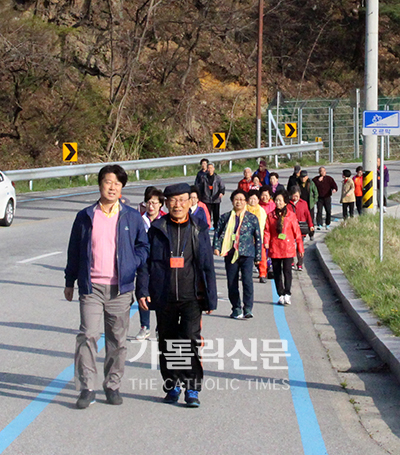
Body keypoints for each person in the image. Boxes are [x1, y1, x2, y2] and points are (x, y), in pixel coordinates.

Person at [64, 165, 149, 409]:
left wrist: (134, 263)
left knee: (117, 340)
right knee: (88, 335)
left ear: (122, 188)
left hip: (120, 289)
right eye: (108, 182)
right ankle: (86, 387)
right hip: (91, 286)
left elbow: (143, 247)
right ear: (100, 184)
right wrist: (70, 281)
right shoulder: (85, 216)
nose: (112, 187)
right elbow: (74, 250)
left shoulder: (131, 217)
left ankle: (112, 385)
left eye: (117, 183)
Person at [136, 183, 217, 407]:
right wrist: (142, 289)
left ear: (191, 202)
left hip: (192, 296)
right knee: (168, 342)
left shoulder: (199, 228)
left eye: (182, 199)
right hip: (164, 296)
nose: (177, 204)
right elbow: (145, 263)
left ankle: (192, 388)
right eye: (172, 200)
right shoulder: (157, 229)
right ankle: (173, 385)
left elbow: (207, 264)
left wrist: (211, 296)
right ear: (166, 203)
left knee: (190, 341)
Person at [213, 189, 261, 319]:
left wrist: (258, 256)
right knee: (232, 282)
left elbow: (258, 238)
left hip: (247, 254)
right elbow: (217, 234)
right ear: (232, 201)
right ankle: (236, 308)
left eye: (241, 199)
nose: (238, 202)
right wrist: (216, 247)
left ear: (246, 202)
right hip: (230, 253)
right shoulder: (225, 217)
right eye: (236, 199)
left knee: (247, 281)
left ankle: (248, 308)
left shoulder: (252, 218)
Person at [135, 188, 166, 341]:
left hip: (161, 263)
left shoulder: (166, 221)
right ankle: (144, 326)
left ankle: (161, 327)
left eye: (154, 203)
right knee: (142, 292)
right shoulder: (139, 220)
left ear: (161, 205)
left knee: (162, 295)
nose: (151, 206)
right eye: (148, 202)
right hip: (143, 262)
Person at [264, 191, 304, 305]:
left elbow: (297, 233)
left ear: (286, 202)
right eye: (276, 200)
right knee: (277, 272)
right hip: (275, 247)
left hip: (288, 248)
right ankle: (280, 294)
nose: (278, 203)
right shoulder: (270, 216)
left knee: (287, 271)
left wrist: (300, 248)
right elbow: (267, 231)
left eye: (280, 200)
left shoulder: (291, 215)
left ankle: (287, 293)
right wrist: (266, 242)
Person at [288, 186, 313, 271]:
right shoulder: (287, 204)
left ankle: (300, 263)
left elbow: (308, 215)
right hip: (290, 229)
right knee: (290, 246)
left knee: (300, 246)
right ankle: (291, 261)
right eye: (294, 196)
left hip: (300, 228)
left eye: (297, 196)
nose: (295, 198)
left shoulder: (304, 203)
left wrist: (311, 225)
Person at [246, 189, 268, 283]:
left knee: (262, 257)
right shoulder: (244, 209)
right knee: (246, 258)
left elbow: (265, 226)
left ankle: (262, 274)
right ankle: (246, 274)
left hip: (259, 238)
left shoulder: (261, 211)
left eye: (255, 199)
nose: (253, 201)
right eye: (251, 199)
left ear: (258, 200)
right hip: (246, 239)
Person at [198, 162, 225, 230]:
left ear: (214, 169)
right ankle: (208, 226)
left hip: (215, 198)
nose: (210, 169)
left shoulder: (218, 178)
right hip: (206, 198)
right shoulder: (203, 178)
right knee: (207, 214)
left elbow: (222, 186)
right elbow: (200, 187)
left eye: (211, 168)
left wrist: (221, 193)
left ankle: (217, 227)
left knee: (216, 214)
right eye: (208, 168)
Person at [297, 170, 318, 239]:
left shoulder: (311, 183)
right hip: (301, 205)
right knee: (302, 220)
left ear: (307, 177)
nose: (303, 179)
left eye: (304, 177)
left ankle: (311, 234)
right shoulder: (297, 183)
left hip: (309, 204)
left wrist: (314, 201)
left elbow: (316, 193)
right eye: (302, 177)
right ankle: (302, 234)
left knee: (311, 220)